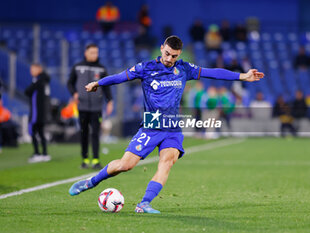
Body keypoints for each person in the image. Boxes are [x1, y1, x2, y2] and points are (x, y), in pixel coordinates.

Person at [68, 35, 264, 213]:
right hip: (151, 125)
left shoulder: (184, 69)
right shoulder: (146, 68)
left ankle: (144, 203)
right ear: (162, 48)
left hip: (172, 128)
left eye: (174, 56)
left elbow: (212, 72)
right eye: (168, 53)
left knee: (167, 162)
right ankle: (90, 182)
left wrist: (242, 76)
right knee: (126, 165)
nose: (170, 59)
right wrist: (98, 83)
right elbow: (120, 77)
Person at [67, 43, 113, 169]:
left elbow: (107, 86)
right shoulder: (77, 67)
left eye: (96, 52)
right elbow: (69, 83)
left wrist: (110, 101)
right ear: (86, 53)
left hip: (97, 108)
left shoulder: (101, 69)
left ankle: (96, 160)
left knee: (95, 133)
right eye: (92, 52)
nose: (95, 55)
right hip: (82, 107)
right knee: (84, 133)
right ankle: (85, 159)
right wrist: (74, 93)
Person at [25, 64, 51, 163]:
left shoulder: (39, 81)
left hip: (36, 112)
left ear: (39, 69)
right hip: (41, 111)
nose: (31, 71)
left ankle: (37, 153)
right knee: (40, 132)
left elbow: (27, 91)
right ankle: (44, 153)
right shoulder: (44, 80)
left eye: (34, 69)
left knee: (32, 131)